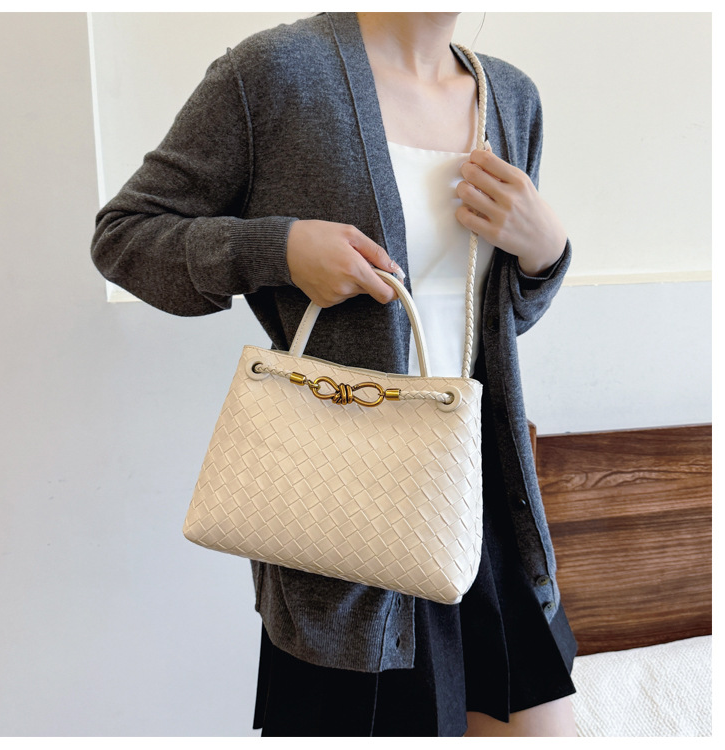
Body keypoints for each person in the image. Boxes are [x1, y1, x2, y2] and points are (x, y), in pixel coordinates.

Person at [91, 12, 577, 737]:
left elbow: (488, 325)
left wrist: (547, 253)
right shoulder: (273, 73)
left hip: (482, 500)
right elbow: (126, 237)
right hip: (347, 516)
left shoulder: (511, 97)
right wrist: (280, 251)